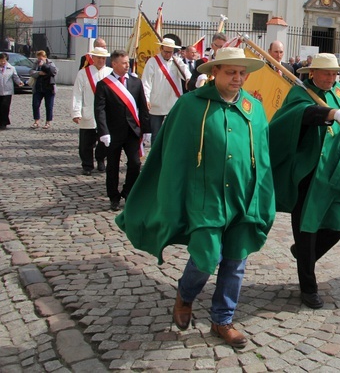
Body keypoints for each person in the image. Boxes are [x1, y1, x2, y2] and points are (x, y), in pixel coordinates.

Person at [115, 47, 273, 348]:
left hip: (243, 199)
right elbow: (171, 155)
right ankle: (185, 296)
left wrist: (262, 199)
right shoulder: (190, 106)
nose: (238, 78)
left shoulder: (254, 109)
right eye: (231, 72)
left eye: (242, 73)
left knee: (236, 261)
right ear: (214, 73)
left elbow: (262, 159)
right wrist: (171, 196)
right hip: (206, 200)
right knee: (207, 257)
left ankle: (222, 320)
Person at [268, 53, 340, 309]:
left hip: (336, 169)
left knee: (339, 223)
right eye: (325, 73)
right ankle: (308, 287)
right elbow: (298, 116)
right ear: (312, 73)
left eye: (334, 73)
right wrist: (329, 113)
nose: (330, 78)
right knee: (307, 230)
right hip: (309, 173)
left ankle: (302, 255)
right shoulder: (301, 93)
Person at [94, 50, 151, 211]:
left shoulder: (135, 82)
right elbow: (100, 110)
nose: (128, 65)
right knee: (112, 166)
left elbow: (143, 108)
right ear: (114, 64)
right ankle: (113, 196)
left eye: (128, 62)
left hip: (132, 131)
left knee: (135, 163)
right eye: (124, 63)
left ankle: (128, 192)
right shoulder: (104, 85)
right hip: (112, 133)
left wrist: (146, 130)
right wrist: (103, 132)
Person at [71, 47, 112, 175]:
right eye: (99, 58)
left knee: (104, 140)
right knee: (86, 142)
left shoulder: (111, 72)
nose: (101, 60)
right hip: (88, 111)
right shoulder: (83, 73)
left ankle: (101, 159)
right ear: (93, 58)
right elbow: (77, 94)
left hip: (105, 113)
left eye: (103, 58)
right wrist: (76, 112)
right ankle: (87, 165)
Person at [141, 37, 191, 138]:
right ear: (161, 49)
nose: (168, 54)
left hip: (173, 102)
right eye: (166, 51)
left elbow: (185, 73)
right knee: (156, 134)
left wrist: (189, 78)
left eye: (170, 52)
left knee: (173, 133)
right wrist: (146, 99)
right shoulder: (152, 62)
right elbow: (146, 82)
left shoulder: (177, 61)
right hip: (156, 104)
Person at [30, 50, 58, 129]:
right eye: (38, 58)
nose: (39, 60)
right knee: (35, 104)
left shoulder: (50, 63)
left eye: (41, 58)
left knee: (49, 105)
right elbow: (31, 72)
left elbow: (54, 72)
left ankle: (48, 122)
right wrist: (38, 73)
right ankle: (36, 121)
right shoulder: (36, 63)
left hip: (49, 88)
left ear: (45, 57)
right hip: (38, 87)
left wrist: (44, 65)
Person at [0, 52, 24, 130]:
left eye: (4, 61)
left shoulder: (11, 68)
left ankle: (4, 122)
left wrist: (19, 82)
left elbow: (15, 77)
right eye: (1, 61)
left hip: (7, 91)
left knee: (5, 107)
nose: (2, 62)